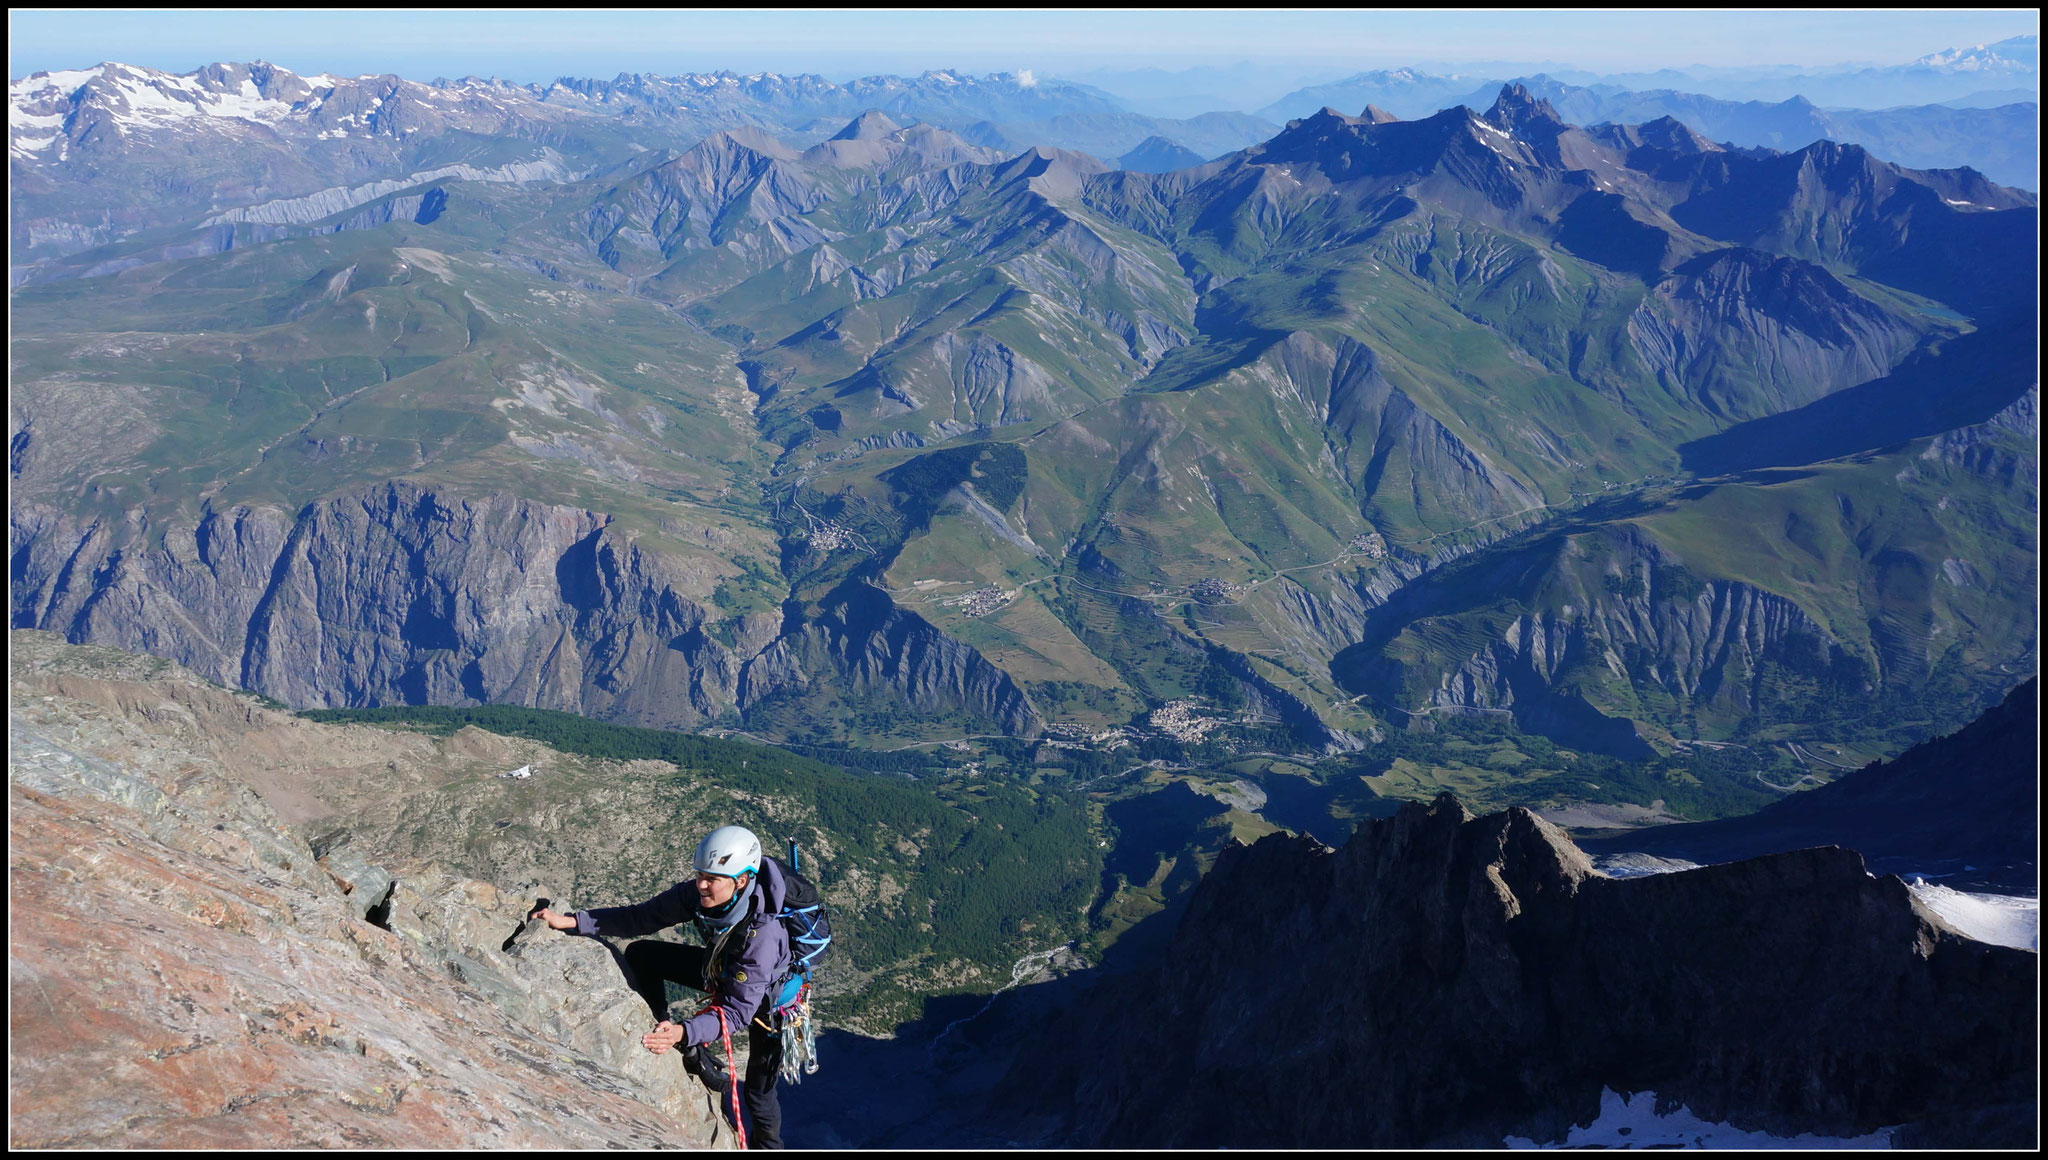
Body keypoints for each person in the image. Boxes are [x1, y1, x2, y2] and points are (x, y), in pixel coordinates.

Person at [533, 825, 793, 1149]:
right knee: (643, 954)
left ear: (741, 881)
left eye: (711, 878)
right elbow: (641, 918)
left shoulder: (763, 935)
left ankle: (768, 1146)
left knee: (758, 1092)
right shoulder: (698, 896)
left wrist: (686, 1030)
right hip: (724, 969)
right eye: (700, 874)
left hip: (769, 1002)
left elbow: (737, 1012)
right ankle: (666, 1030)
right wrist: (573, 921)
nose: (701, 884)